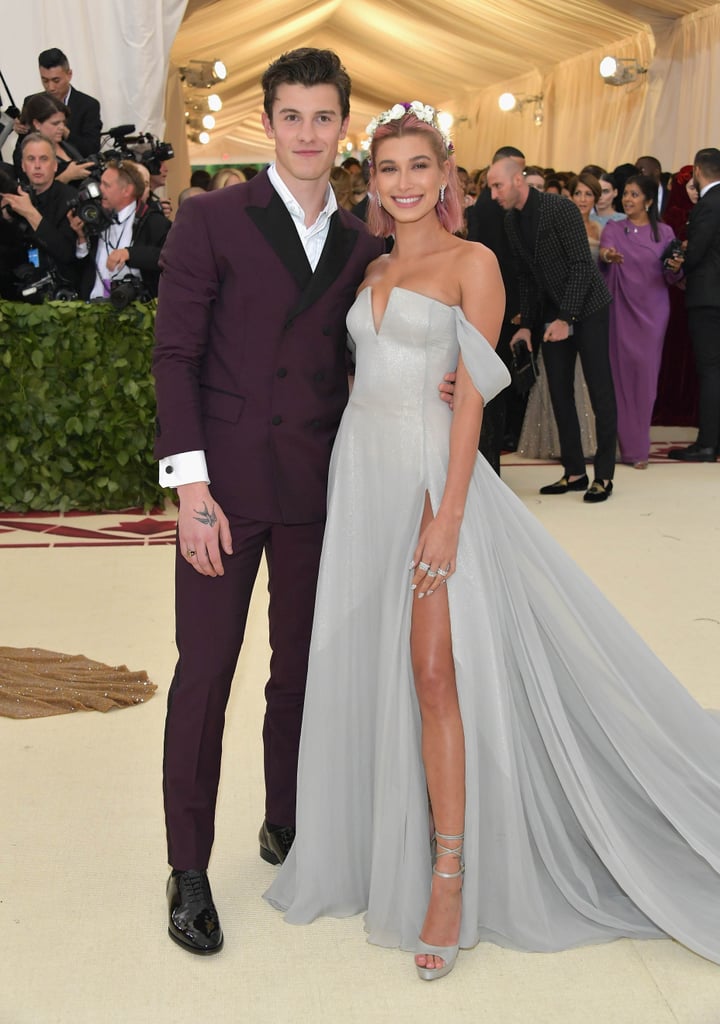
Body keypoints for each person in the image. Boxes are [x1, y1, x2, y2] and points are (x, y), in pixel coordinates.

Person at [266, 101, 720, 982]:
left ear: (446, 177)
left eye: (417, 167)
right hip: (361, 480)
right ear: (373, 180)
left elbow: (473, 393)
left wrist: (450, 511)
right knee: (375, 663)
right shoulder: (366, 268)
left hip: (437, 484)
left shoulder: (475, 261)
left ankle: (448, 872)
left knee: (436, 672)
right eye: (386, 169)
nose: (401, 183)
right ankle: (374, 842)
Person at [152, 47, 387, 956]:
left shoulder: (368, 244)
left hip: (317, 488)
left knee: (299, 673)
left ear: (343, 126)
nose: (308, 134)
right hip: (222, 489)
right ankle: (188, 868)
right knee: (204, 675)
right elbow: (175, 357)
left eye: (324, 117)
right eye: (292, 116)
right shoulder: (212, 216)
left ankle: (282, 819)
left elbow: (372, 349)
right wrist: (191, 489)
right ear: (267, 122)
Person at [488, 156, 617, 502]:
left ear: (518, 181)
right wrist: (527, 326)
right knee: (558, 391)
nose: (493, 194)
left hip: (588, 309)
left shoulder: (559, 208)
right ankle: (574, 472)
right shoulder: (511, 221)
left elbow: (581, 266)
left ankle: (604, 476)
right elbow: (527, 278)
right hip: (552, 315)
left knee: (599, 389)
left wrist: (567, 319)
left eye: (497, 185)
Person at [599, 175, 680, 467]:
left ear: (648, 200)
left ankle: (638, 446)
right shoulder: (614, 228)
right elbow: (605, 253)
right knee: (619, 377)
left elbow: (673, 276)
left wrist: (676, 266)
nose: (628, 199)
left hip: (653, 312)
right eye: (627, 194)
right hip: (620, 309)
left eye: (635, 195)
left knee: (645, 380)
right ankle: (628, 447)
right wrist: (608, 255)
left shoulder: (666, 233)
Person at [666, 147, 720, 461]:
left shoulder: (709, 204)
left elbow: (698, 252)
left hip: (708, 298)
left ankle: (708, 443)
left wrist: (679, 262)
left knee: (710, 370)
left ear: (698, 171)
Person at [69, 159, 171, 300]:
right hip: (92, 308)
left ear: (126, 190)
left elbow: (170, 257)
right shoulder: (97, 217)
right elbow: (82, 270)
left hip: (136, 310)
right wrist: (81, 239)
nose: (100, 189)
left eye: (106, 185)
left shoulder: (154, 222)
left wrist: (130, 254)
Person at [0, 133, 78, 296]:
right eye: (31, 159)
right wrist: (7, 221)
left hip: (60, 291)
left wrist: (30, 213)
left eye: (44, 159)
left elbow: (66, 253)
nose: (37, 165)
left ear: (55, 165)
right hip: (18, 291)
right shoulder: (14, 197)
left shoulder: (70, 199)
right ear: (22, 165)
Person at [14, 48, 102, 159]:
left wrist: (65, 132)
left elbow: (91, 149)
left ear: (69, 74)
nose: (50, 87)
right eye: (45, 81)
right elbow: (21, 150)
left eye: (56, 81)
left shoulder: (88, 105)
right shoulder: (32, 102)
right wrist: (22, 131)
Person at [14, 94, 94, 186]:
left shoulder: (66, 145)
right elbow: (34, 192)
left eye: (63, 122)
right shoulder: (25, 153)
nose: (62, 127)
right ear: (37, 124)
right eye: (55, 123)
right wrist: (66, 176)